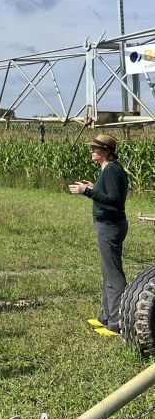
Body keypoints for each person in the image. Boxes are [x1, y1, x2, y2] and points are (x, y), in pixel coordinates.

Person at [69, 133, 129, 337]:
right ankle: (106, 316)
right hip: (107, 224)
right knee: (107, 272)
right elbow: (108, 194)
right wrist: (95, 188)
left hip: (110, 225)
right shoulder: (108, 169)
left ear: (106, 151)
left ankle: (118, 322)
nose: (91, 151)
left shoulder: (112, 170)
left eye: (95, 148)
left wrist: (87, 191)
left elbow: (115, 200)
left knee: (113, 274)